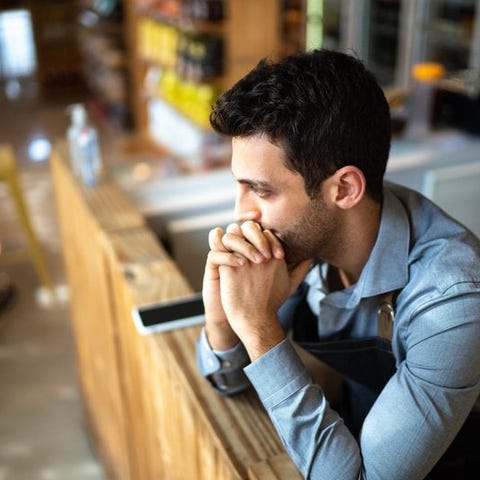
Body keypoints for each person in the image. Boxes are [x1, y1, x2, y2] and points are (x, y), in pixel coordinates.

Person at [195, 49, 480, 479]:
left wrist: (256, 328)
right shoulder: (309, 236)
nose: (241, 213)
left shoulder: (453, 301)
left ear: (344, 188)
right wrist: (222, 321)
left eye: (262, 191)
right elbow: (227, 381)